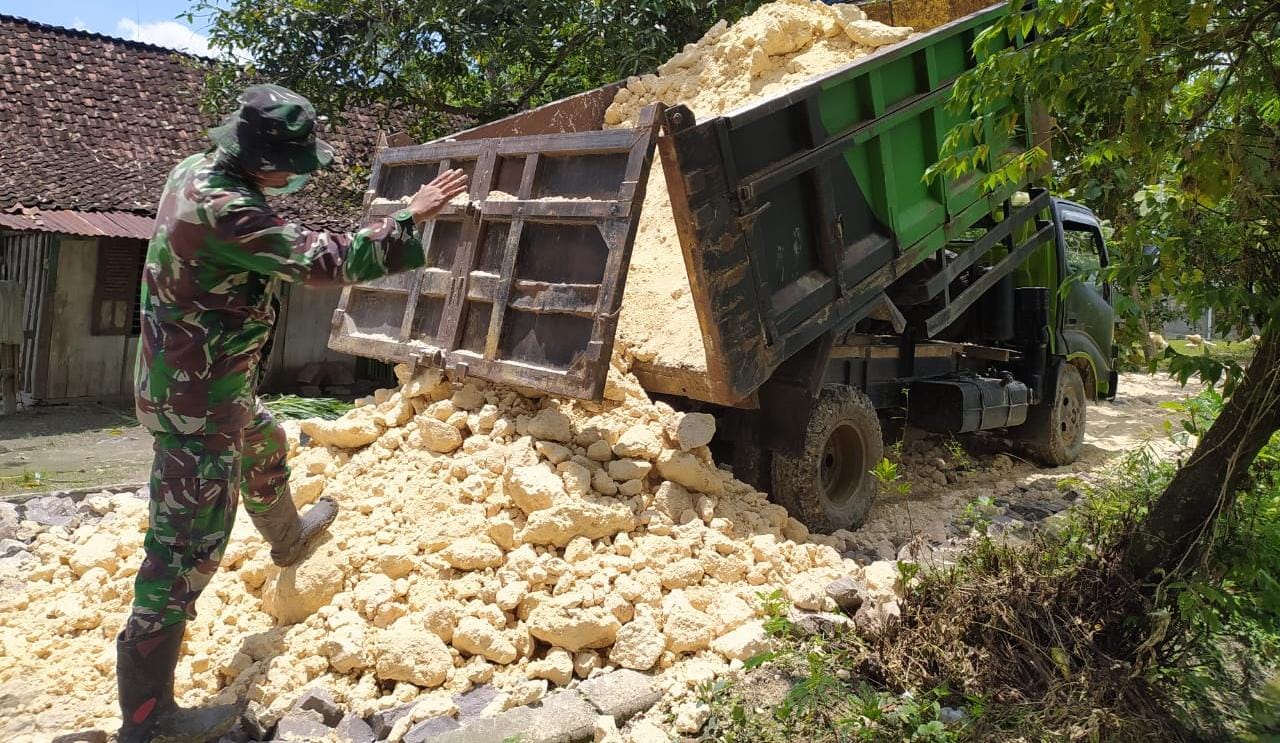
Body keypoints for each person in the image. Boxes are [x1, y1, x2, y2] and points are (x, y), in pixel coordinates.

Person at [119, 83, 468, 743]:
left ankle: (288, 536)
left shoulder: (192, 171)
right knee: (183, 550)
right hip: (195, 405)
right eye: (293, 165)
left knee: (263, 437)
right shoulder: (227, 209)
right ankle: (149, 717)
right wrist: (409, 217)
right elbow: (318, 259)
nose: (294, 177)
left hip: (203, 381)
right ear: (265, 161)